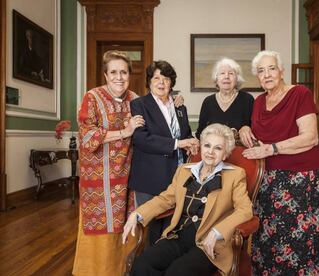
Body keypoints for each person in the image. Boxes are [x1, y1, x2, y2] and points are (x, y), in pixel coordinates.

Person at [239, 50, 319, 275]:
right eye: (261, 71)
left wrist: (272, 148)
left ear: (281, 71)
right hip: (266, 180)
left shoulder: (300, 93)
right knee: (269, 238)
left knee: (301, 239)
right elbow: (258, 136)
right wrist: (244, 127)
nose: (267, 74)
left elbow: (310, 137)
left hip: (299, 179)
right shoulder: (259, 102)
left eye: (271, 68)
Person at [122, 123, 253, 276]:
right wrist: (137, 214)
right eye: (207, 145)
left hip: (209, 244)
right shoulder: (184, 170)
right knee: (142, 265)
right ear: (201, 147)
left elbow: (245, 210)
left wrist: (218, 231)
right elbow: (165, 199)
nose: (210, 152)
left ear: (225, 154)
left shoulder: (235, 175)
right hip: (178, 235)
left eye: (218, 148)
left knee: (178, 272)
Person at [73, 50, 145, 275]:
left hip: (128, 176)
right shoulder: (92, 97)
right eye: (113, 72)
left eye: (124, 72)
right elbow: (87, 136)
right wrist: (125, 131)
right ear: (105, 75)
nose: (119, 77)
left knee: (127, 223)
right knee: (101, 230)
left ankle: (124, 270)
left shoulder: (135, 99)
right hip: (98, 177)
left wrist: (173, 100)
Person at [129, 60, 199, 245]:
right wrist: (179, 143)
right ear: (149, 81)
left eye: (166, 78)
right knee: (152, 231)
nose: (161, 82)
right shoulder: (139, 104)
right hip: (149, 177)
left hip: (177, 177)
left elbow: (185, 134)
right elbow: (141, 139)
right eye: (156, 78)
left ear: (171, 82)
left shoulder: (179, 106)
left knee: (172, 227)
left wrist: (190, 143)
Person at [195, 57, 254, 139]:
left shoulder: (247, 99)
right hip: (214, 150)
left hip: (241, 150)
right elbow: (200, 133)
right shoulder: (208, 102)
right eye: (222, 73)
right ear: (216, 79)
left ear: (237, 79)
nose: (226, 76)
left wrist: (247, 128)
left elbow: (256, 129)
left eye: (231, 73)